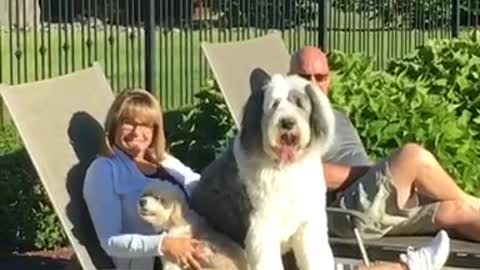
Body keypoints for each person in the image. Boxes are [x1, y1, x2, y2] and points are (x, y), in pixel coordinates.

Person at [289, 46, 480, 242]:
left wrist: (384, 172)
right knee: (412, 156)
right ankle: (475, 202)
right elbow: (310, 173)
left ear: (329, 79)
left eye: (320, 77)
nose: (312, 85)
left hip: (373, 201)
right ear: (290, 79)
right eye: (304, 78)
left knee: (456, 211)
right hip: (346, 211)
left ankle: (471, 205)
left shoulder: (335, 115)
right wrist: (380, 170)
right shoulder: (292, 123)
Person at [83, 88, 208, 270]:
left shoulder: (164, 160)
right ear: (114, 125)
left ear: (155, 130)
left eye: (145, 125)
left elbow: (200, 186)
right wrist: (164, 244)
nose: (136, 132)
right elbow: (109, 241)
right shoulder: (103, 170)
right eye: (128, 123)